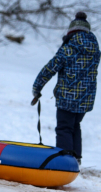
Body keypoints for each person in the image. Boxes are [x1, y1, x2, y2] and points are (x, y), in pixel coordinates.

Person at [32, 12, 100, 165]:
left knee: (64, 128)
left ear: (71, 32)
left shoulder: (69, 48)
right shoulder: (95, 50)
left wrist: (37, 87)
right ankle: (76, 159)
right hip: (86, 99)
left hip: (67, 97)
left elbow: (49, 69)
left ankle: (64, 162)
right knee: (74, 126)